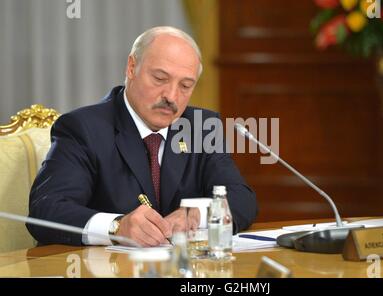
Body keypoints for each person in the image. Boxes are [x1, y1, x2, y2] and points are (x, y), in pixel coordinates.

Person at [27, 26, 258, 247]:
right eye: (160, 79)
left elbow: (242, 199)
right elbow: (47, 209)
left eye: (185, 86)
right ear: (131, 67)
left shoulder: (201, 127)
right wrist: (116, 227)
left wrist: (196, 213)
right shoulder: (83, 128)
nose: (171, 96)